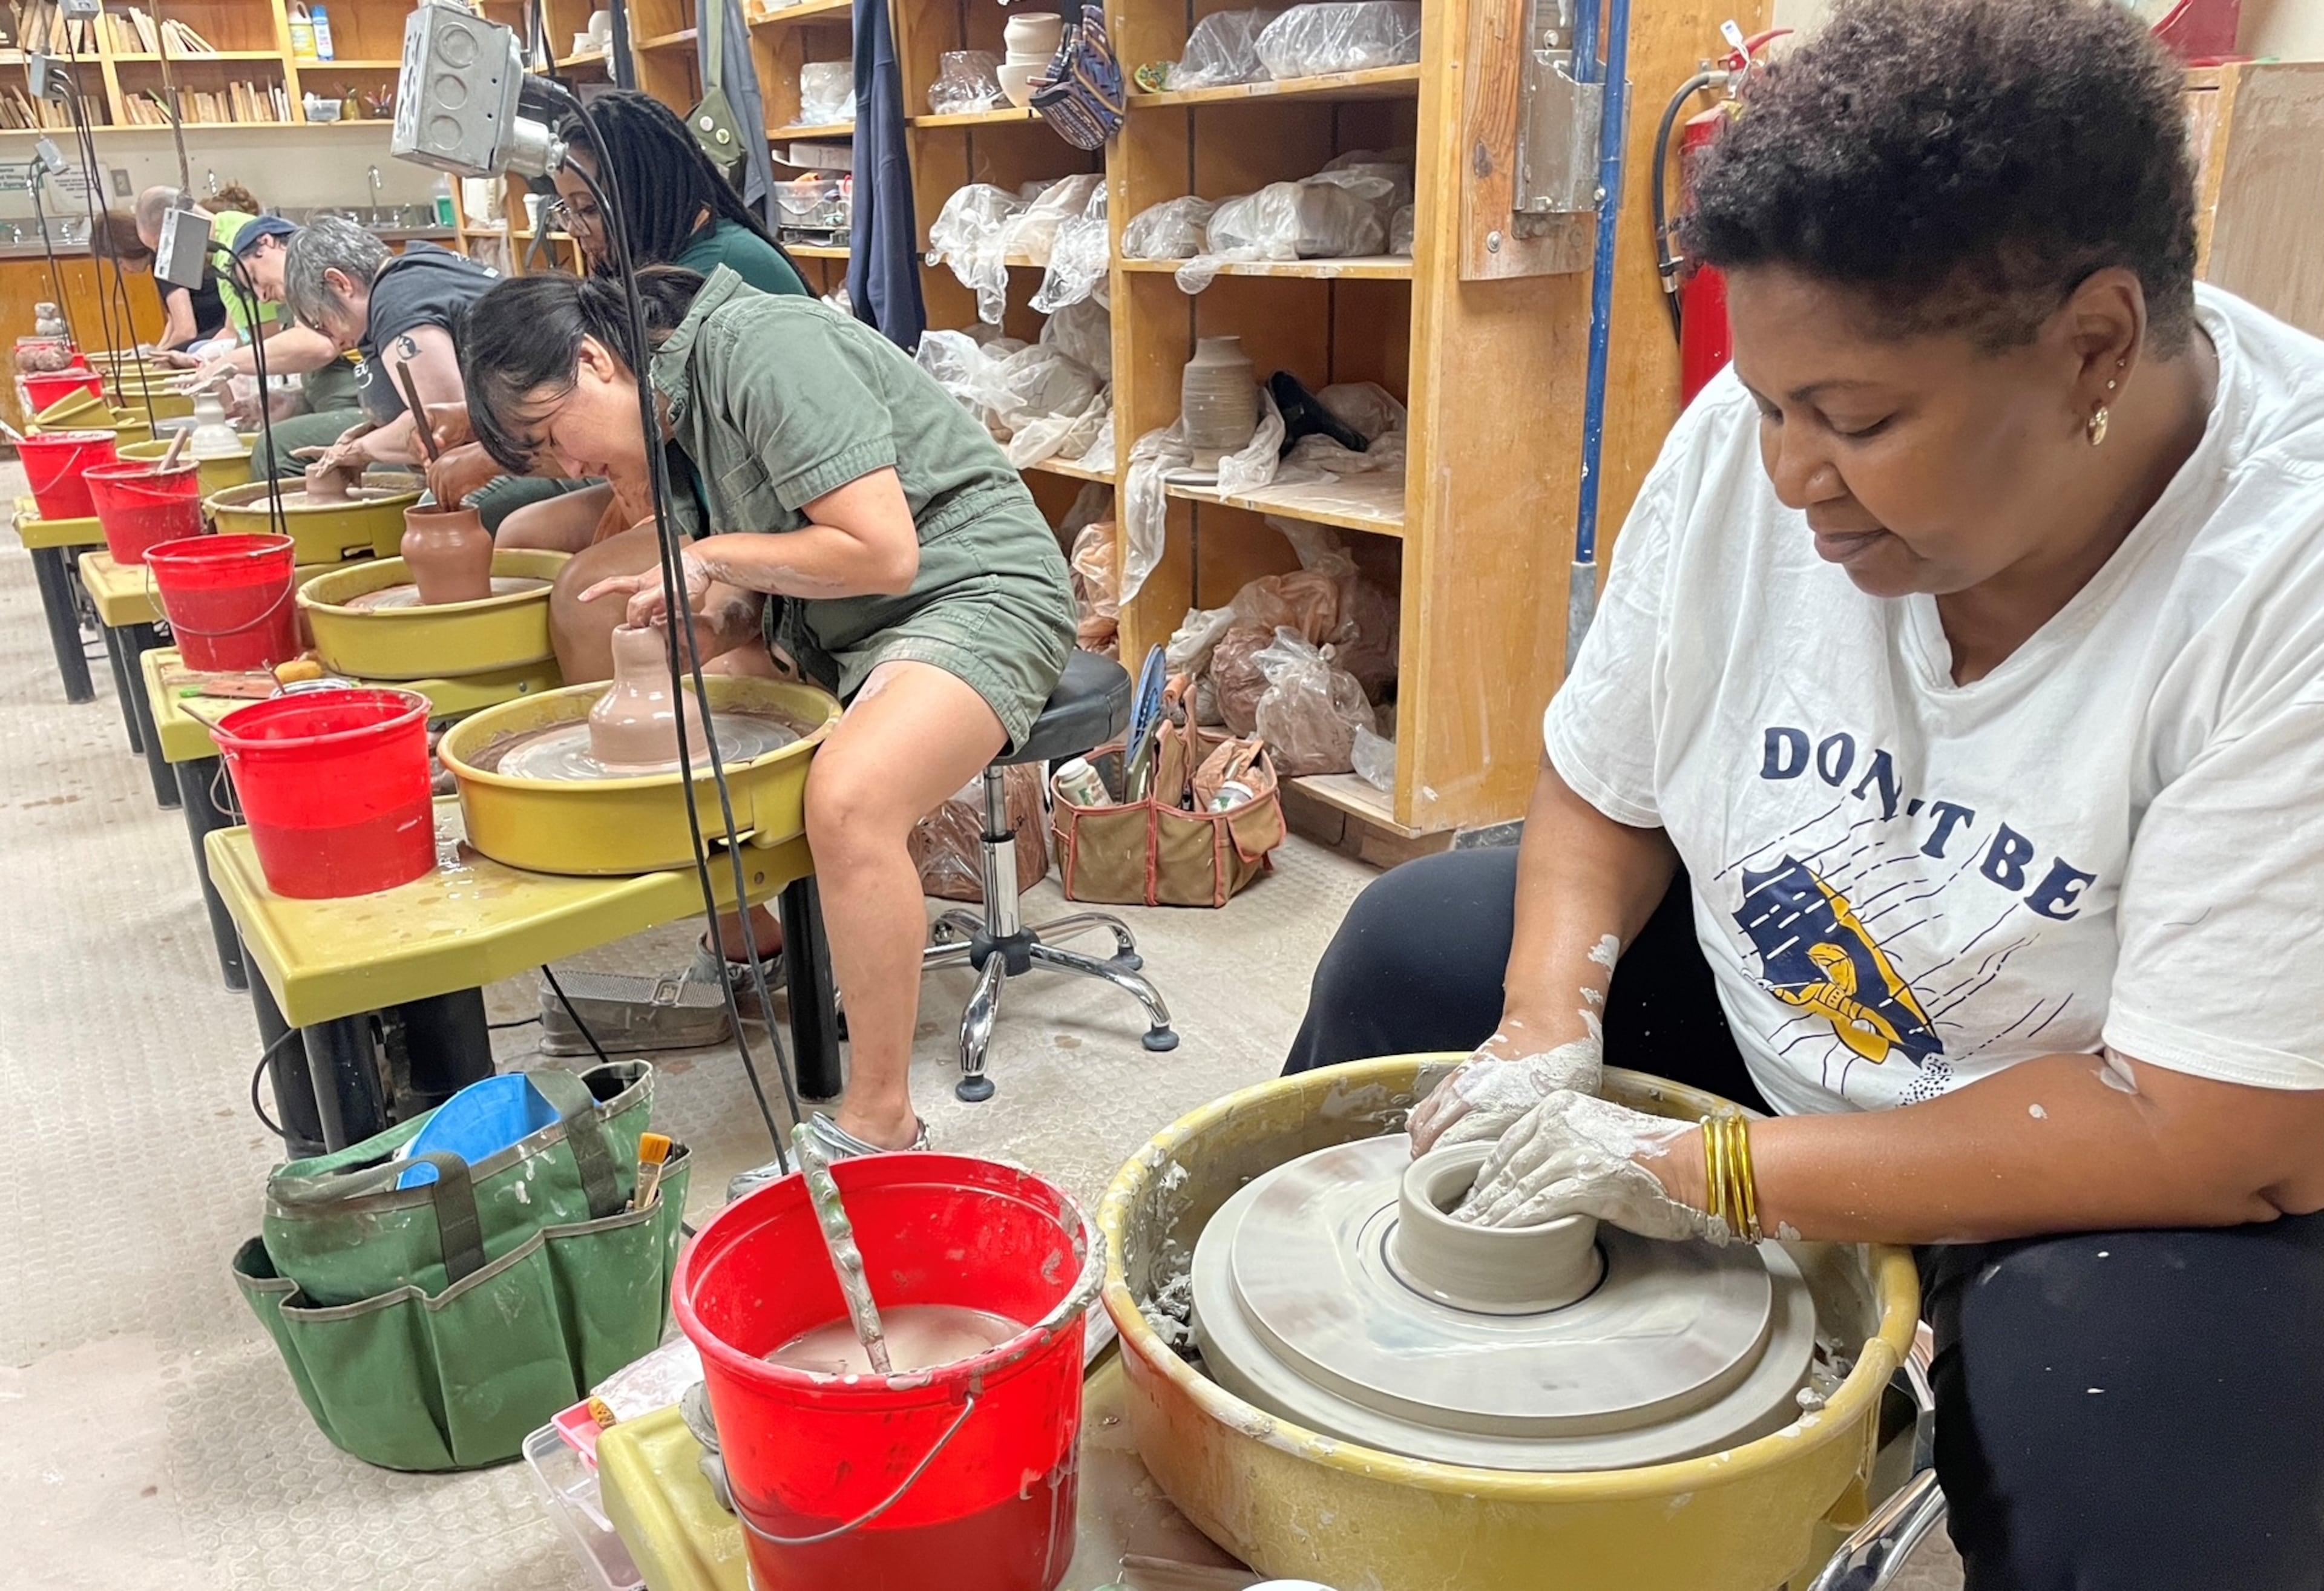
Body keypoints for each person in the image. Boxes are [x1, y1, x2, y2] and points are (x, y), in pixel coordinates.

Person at [1285, 3, 2324, 1587]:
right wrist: (1542, 1029)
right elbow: (1604, 780)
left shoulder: (2285, 575)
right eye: (1771, 405)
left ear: (2097, 346)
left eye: (1855, 421)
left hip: (2111, 1127)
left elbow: (2215, 1127)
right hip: (1810, 1011)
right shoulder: (1751, 443)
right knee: (1419, 946)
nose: (1784, 474)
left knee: (2113, 1416)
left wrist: (1702, 1174)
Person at [458, 264, 1075, 1162]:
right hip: (844, 624)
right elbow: (780, 573)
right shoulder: (670, 417)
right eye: (543, 462)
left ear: (594, 359)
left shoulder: (762, 349)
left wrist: (708, 556)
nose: (567, 469)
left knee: (849, 799)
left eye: (551, 438)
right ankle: (770, 942)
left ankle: (880, 1118)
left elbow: (883, 551)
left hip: (975, 586)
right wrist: (712, 624)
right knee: (686, 722)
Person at [434, 89, 812, 563]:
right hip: (684, 477)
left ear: (641, 190)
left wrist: (493, 454)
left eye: (588, 209)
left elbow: (628, 419)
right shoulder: (651, 262)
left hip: (756, 502)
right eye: (567, 210)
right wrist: (476, 419)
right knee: (521, 534)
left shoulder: (716, 268)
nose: (574, 227)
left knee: (587, 591)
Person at [166, 216, 366, 477]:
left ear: (268, 243)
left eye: (254, 277)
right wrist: (290, 401)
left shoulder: (321, 271)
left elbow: (319, 346)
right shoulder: (295, 300)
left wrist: (227, 364)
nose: (262, 296)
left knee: (274, 449)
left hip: (375, 412)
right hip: (352, 406)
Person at [131, 186, 278, 351]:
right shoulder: (229, 225)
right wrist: (195, 359)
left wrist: (209, 367)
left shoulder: (236, 258)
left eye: (160, 246)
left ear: (177, 225)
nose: (164, 259)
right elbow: (233, 332)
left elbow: (266, 346)